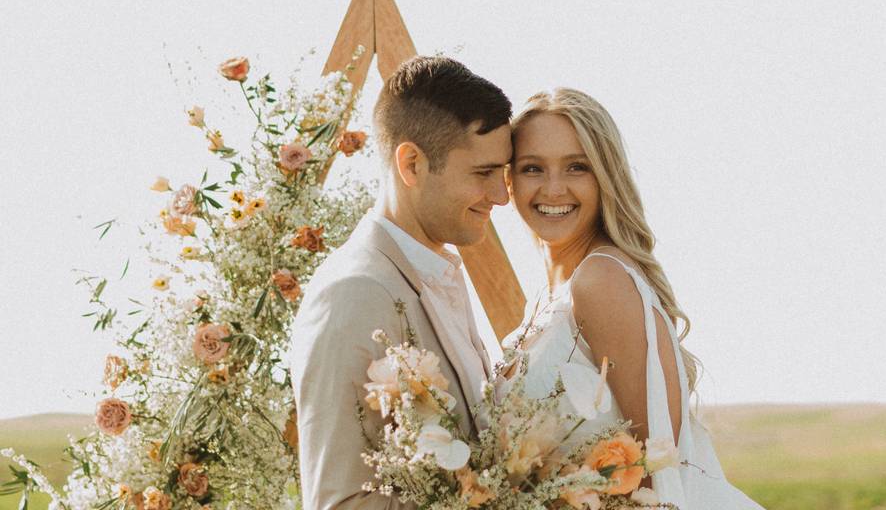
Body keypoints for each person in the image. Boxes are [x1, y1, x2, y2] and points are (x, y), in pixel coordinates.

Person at [504, 88, 763, 509]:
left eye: (577, 167)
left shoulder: (600, 278)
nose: (553, 189)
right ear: (509, 180)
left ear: (606, 176)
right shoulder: (554, 290)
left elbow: (660, 467)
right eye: (533, 168)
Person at [290, 56, 513, 510]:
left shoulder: (437, 275)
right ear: (411, 163)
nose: (502, 195)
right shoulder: (351, 295)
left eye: (503, 173)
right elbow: (341, 502)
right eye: (483, 173)